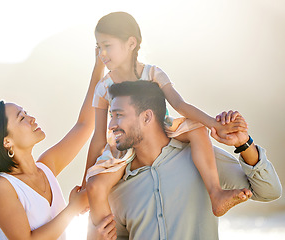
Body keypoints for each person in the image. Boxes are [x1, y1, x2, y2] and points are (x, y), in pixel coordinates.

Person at [84, 11, 249, 227]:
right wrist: (84, 181)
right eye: (99, 47)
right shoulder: (103, 87)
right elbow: (98, 137)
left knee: (197, 128)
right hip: (123, 144)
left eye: (107, 45)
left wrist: (215, 124)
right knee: (96, 186)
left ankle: (216, 193)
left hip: (160, 131)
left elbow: (179, 105)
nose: (102, 53)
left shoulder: (152, 73)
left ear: (131, 43)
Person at [89, 80, 282, 240]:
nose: (112, 125)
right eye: (111, 116)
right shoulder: (114, 185)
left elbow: (269, 191)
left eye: (118, 116)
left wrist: (244, 144)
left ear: (147, 117)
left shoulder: (201, 158)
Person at [0, 51, 104, 239]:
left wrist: (99, 65)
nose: (31, 118)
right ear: (6, 141)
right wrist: (73, 208)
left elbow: (85, 125)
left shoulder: (46, 166)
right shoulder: (0, 187)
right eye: (21, 118)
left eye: (26, 112)